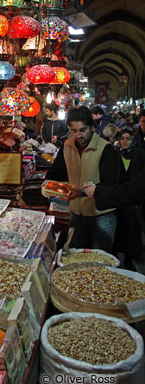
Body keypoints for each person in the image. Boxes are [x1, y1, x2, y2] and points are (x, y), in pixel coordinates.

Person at [45, 106, 119, 252]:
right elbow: (56, 173)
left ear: (91, 127)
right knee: (75, 259)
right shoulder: (67, 145)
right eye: (74, 131)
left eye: (83, 130)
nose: (79, 135)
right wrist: (47, 185)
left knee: (100, 262)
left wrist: (81, 192)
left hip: (101, 216)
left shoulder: (106, 149)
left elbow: (110, 184)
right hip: (76, 215)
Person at [111, 125, 145, 269]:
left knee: (132, 230)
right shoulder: (115, 155)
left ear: (133, 140)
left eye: (128, 139)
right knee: (119, 230)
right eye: (122, 139)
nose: (125, 142)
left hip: (133, 200)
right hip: (118, 198)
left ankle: (130, 259)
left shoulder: (140, 156)